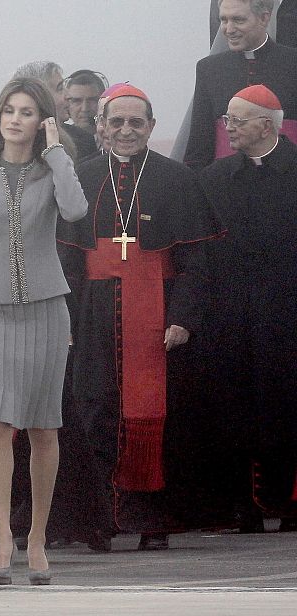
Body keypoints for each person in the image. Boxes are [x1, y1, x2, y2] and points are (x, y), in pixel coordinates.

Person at [57, 85, 222, 552]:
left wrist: (183, 317)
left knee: (155, 416)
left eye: (136, 122)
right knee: (95, 410)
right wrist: (65, 319)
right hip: (94, 315)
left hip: (158, 314)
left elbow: (197, 262)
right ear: (101, 126)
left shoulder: (177, 178)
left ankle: (153, 519)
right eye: (116, 122)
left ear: (151, 126)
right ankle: (101, 520)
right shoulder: (83, 177)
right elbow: (67, 260)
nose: (126, 131)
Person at [0, 77, 87, 585]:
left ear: (42, 120)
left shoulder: (53, 168)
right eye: (9, 110)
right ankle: (4, 539)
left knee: (44, 427)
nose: (15, 119)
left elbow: (75, 210)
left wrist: (55, 152)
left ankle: (38, 538)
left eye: (27, 112)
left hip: (47, 310)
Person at [199, 85, 297, 533]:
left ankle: (290, 502)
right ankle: (244, 506)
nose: (229, 127)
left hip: (287, 313)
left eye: (237, 120)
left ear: (266, 125)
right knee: (236, 406)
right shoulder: (214, 178)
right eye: (227, 119)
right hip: (232, 315)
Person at [184, 0, 297, 170]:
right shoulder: (209, 69)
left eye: (238, 20)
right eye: (224, 20)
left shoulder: (293, 63)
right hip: (226, 181)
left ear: (264, 18)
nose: (229, 29)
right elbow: (199, 146)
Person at [13, 61, 97, 162]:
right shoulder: (5, 141)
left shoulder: (83, 141)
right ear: (37, 95)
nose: (68, 96)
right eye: (60, 89)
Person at [64, 69, 107, 137]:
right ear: (67, 105)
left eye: (92, 100)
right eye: (77, 101)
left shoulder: (116, 139)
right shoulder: (57, 139)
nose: (85, 109)